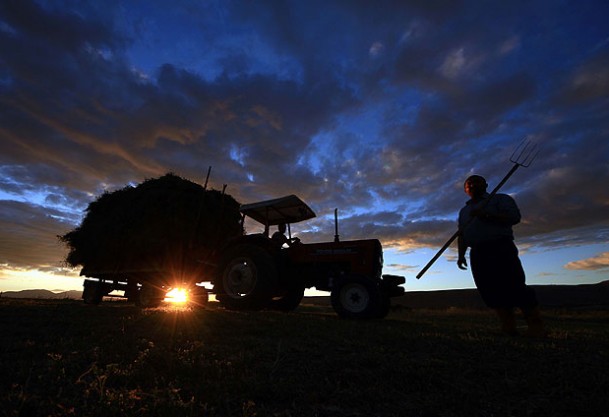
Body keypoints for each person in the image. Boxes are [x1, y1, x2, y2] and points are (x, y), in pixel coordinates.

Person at [457, 175, 544, 336]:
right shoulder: (464, 211)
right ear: (465, 190)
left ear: (486, 185)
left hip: (500, 247)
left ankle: (536, 327)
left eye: (477, 182)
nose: (473, 185)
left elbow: (514, 218)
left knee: (515, 285)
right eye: (469, 184)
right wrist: (461, 255)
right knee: (489, 289)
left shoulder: (499, 200)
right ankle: (508, 327)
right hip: (477, 252)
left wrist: (487, 215)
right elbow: (461, 234)